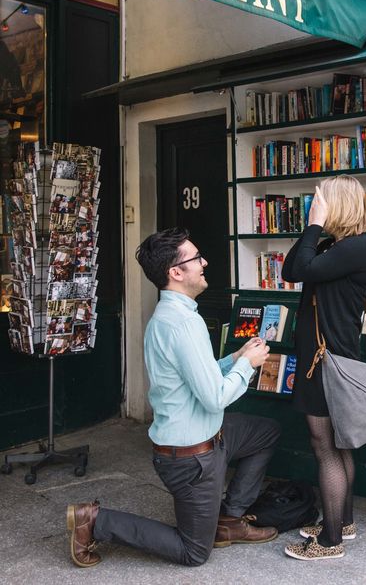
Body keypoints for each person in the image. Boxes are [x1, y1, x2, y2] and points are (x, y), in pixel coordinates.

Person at [66, 227, 280, 568]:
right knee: (194, 553)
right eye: (196, 258)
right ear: (176, 272)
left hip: (211, 439)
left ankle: (228, 519)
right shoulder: (182, 324)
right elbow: (214, 398)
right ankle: (95, 521)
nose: (204, 262)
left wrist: (235, 358)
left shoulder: (175, 316)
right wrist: (248, 367)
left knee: (266, 432)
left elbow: (199, 374)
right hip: (192, 461)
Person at [281, 176, 366, 562]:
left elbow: (300, 269)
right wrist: (314, 231)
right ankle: (344, 521)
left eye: (320, 200)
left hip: (326, 362)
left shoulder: (356, 248)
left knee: (325, 448)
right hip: (324, 359)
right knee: (335, 446)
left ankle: (330, 539)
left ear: (338, 205)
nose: (313, 204)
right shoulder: (334, 247)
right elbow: (291, 268)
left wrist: (313, 225)